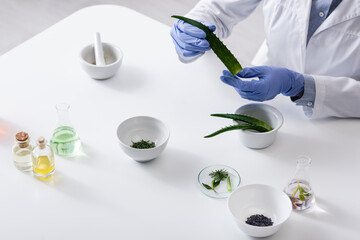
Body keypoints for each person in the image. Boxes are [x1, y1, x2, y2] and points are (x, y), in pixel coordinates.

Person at [170, 0, 360, 118]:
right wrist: (194, 26)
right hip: (269, 98)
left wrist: (303, 86)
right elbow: (217, 9)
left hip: (342, 117)